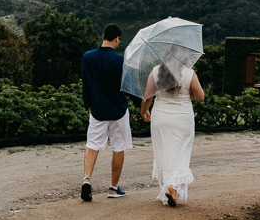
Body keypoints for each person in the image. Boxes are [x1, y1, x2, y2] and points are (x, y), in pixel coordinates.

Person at [141, 61, 205, 206]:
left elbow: (148, 97)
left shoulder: (155, 71)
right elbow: (200, 97)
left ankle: (169, 185)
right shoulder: (189, 73)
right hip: (182, 118)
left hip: (161, 116)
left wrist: (143, 111)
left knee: (164, 152)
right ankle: (172, 186)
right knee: (180, 153)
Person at [79, 24, 131, 201]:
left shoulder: (88, 57)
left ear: (103, 36)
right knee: (119, 147)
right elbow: (127, 86)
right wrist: (143, 108)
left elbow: (86, 84)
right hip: (118, 110)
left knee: (92, 144)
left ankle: (87, 179)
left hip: (97, 109)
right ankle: (113, 188)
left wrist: (88, 104)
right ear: (117, 39)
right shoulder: (119, 60)